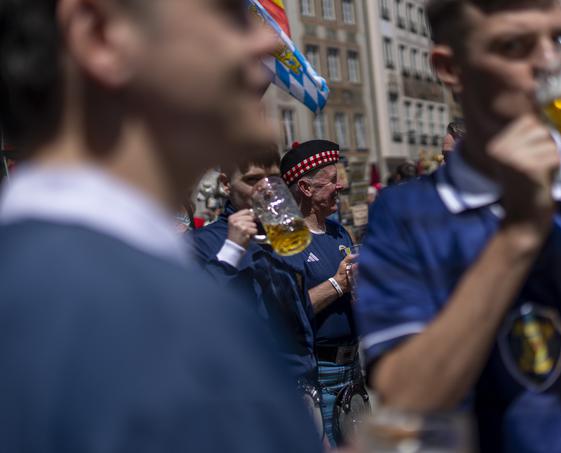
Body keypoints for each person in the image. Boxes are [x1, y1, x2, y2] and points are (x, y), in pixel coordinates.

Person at [356, 0, 561, 451]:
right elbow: (406, 402)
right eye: (515, 46)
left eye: (559, 39)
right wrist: (520, 232)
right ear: (451, 68)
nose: (551, 63)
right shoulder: (406, 215)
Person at [0, 1, 321, 451]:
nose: (269, 40)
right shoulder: (131, 311)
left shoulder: (44, 276)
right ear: (101, 34)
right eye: (229, 14)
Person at [190, 147, 320, 429]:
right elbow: (194, 317)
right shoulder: (203, 243)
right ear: (226, 185)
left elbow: (302, 316)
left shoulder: (285, 235)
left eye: (275, 178)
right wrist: (233, 249)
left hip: (304, 394)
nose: (267, 188)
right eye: (252, 180)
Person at [279, 140, 367, 447]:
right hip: (320, 374)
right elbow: (289, 308)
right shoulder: (287, 240)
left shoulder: (339, 232)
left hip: (353, 367)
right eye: (331, 181)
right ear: (305, 187)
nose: (340, 186)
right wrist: (338, 283)